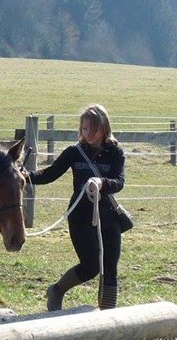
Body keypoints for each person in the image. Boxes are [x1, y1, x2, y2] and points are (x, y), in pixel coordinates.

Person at [24, 104, 125, 311]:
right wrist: (25, 177)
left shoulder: (115, 152)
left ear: (104, 127)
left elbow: (119, 181)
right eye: (85, 129)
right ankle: (57, 290)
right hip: (80, 217)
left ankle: (108, 319)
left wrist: (101, 183)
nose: (88, 134)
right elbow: (50, 174)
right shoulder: (74, 152)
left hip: (109, 216)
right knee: (91, 267)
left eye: (93, 129)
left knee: (110, 268)